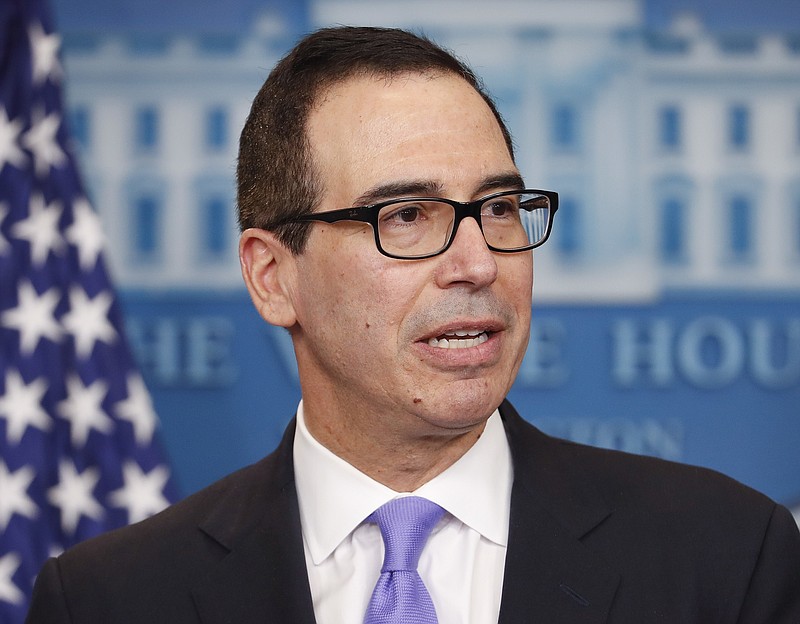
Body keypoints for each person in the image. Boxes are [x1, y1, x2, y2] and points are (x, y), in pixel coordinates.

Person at [27, 26, 800, 624]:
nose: (479, 262)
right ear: (273, 276)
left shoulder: (727, 557)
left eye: (498, 208)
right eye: (405, 216)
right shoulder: (111, 598)